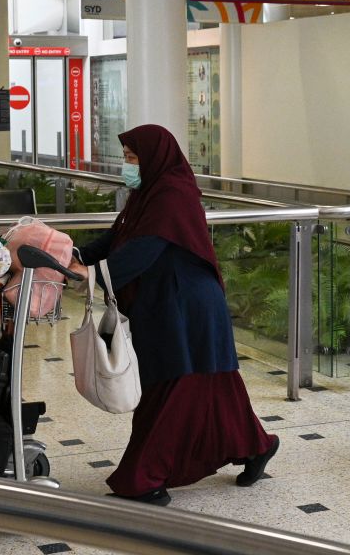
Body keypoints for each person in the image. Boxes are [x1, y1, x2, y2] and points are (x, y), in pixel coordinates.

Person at [69, 124, 278, 505]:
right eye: (127, 158)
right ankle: (256, 445)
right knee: (213, 386)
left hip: (187, 307)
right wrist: (78, 255)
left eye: (133, 158)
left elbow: (144, 249)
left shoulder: (172, 194)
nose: (128, 166)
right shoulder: (147, 193)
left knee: (173, 388)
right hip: (169, 301)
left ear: (154, 157)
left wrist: (94, 273)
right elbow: (120, 238)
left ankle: (144, 479)